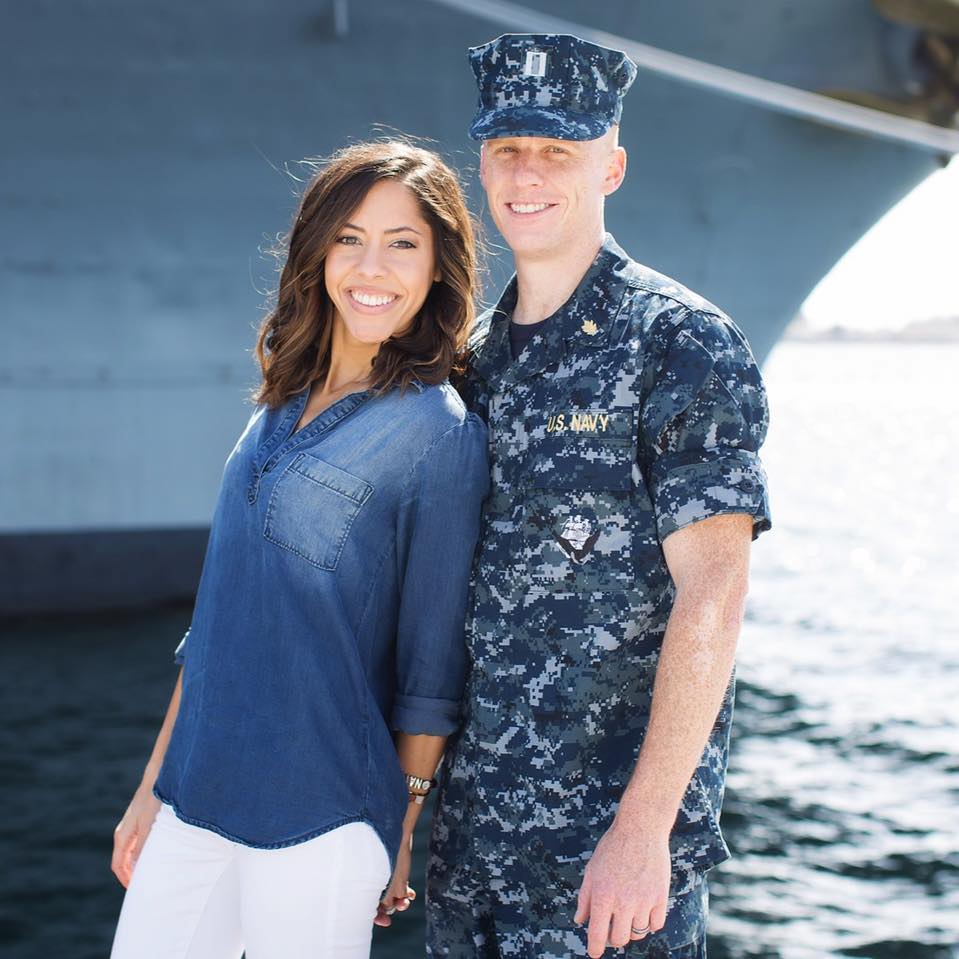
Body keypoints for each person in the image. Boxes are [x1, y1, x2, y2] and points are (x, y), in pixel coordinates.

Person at [423, 34, 772, 959]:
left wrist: (642, 831)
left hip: (602, 878)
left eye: (557, 150)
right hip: (472, 862)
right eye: (507, 150)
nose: (527, 174)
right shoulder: (477, 363)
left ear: (609, 166)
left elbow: (714, 594)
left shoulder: (677, 341)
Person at [109, 139, 489, 959]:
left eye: (402, 243)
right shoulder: (278, 399)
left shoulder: (438, 432)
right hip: (192, 799)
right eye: (349, 237)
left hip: (322, 818)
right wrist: (150, 786)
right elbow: (215, 621)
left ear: (436, 265)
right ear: (317, 250)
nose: (370, 267)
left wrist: (401, 825)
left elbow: (429, 673)